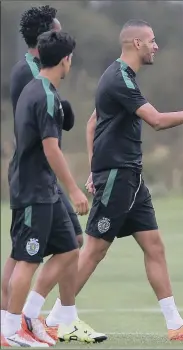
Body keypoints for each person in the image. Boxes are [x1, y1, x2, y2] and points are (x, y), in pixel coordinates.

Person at [45, 19, 183, 341]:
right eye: (152, 41)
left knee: (154, 245)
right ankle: (56, 319)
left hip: (130, 177)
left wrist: (93, 169)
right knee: (94, 250)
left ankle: (175, 324)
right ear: (136, 44)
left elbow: (91, 124)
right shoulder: (119, 79)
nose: (156, 46)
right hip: (118, 175)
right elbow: (155, 120)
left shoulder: (120, 77)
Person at [1, 6, 105, 346]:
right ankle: (11, 325)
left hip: (45, 181)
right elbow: (48, 144)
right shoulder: (31, 82)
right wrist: (74, 189)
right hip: (34, 182)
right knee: (25, 255)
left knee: (69, 244)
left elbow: (57, 118)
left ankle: (30, 316)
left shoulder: (43, 84)